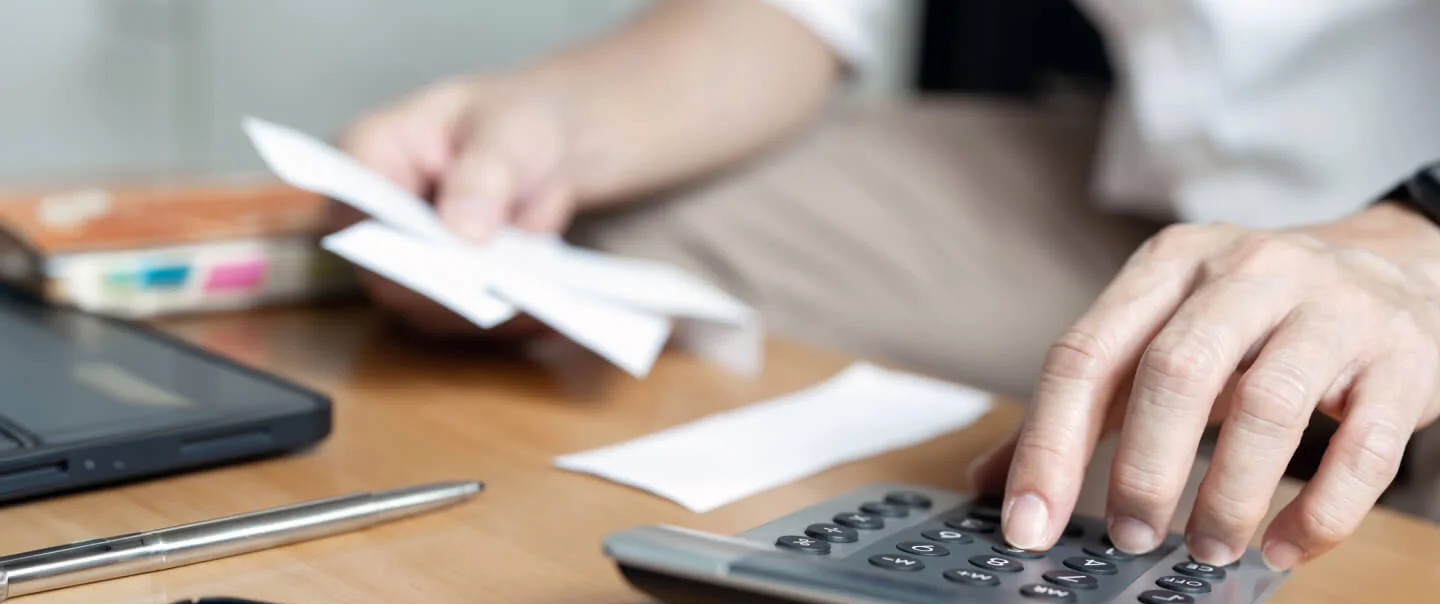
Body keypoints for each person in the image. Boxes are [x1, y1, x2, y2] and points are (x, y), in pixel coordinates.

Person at [335, 0, 1440, 572]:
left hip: (1417, 207)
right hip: (1149, 181)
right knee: (597, 241)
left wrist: (1416, 235)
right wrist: (553, 125)